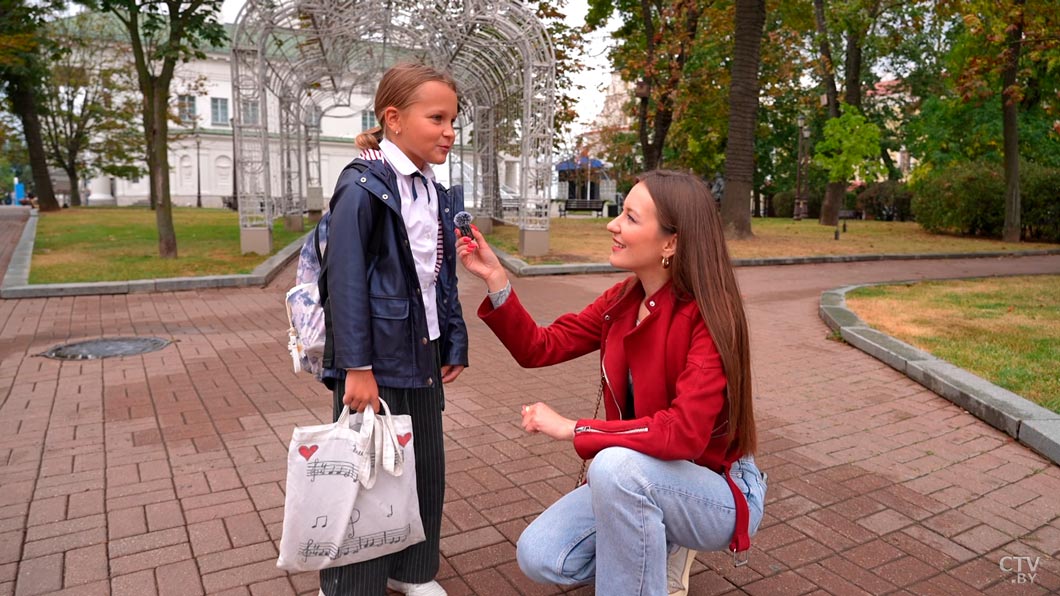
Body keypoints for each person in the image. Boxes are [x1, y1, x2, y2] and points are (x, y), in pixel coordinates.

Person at [456, 170, 767, 596]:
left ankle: (659, 549)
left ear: (671, 242)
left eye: (630, 218)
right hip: (640, 473)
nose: (612, 225)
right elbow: (539, 347)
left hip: (717, 486)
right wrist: (495, 280)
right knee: (541, 554)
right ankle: (659, 541)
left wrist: (575, 429)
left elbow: (684, 435)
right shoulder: (622, 301)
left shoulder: (711, 315)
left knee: (614, 466)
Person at [318, 62, 468, 596]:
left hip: (421, 351)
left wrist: (452, 339)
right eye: (438, 118)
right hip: (373, 361)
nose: (450, 131)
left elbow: (437, 277)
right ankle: (347, 582)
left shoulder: (433, 188)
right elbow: (346, 282)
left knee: (424, 463)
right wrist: (355, 366)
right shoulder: (363, 187)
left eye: (454, 119)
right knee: (364, 472)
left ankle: (413, 572)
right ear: (394, 119)